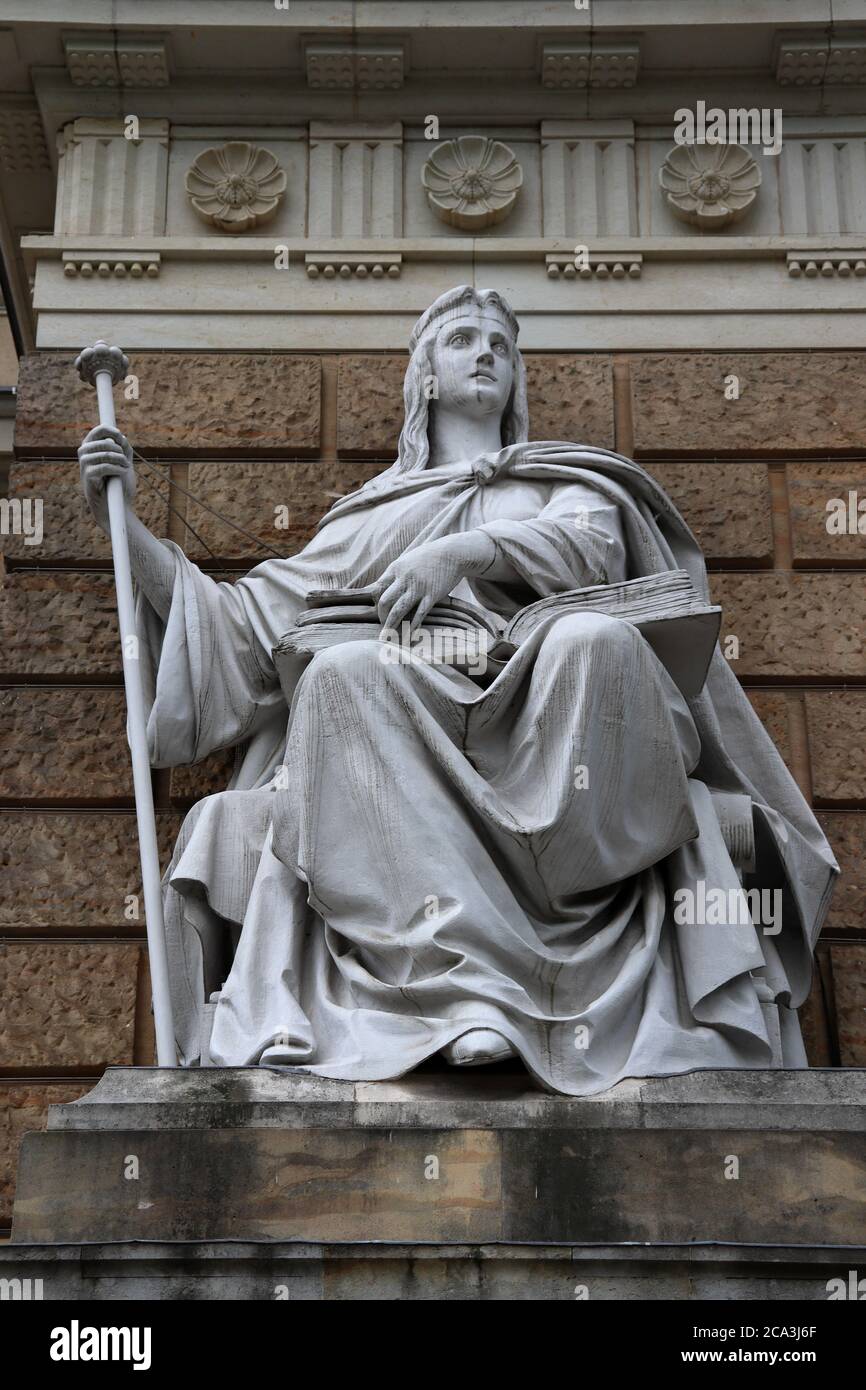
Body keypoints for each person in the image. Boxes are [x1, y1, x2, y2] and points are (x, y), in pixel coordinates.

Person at [78, 285, 837, 1094]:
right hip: (416, 720)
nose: (486, 354)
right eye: (464, 340)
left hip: (549, 718)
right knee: (343, 671)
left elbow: (594, 550)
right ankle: (462, 989)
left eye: (502, 346)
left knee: (595, 641)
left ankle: (536, 957)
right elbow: (242, 629)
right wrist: (124, 528)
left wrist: (466, 554)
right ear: (426, 376)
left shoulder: (563, 482)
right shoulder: (376, 513)